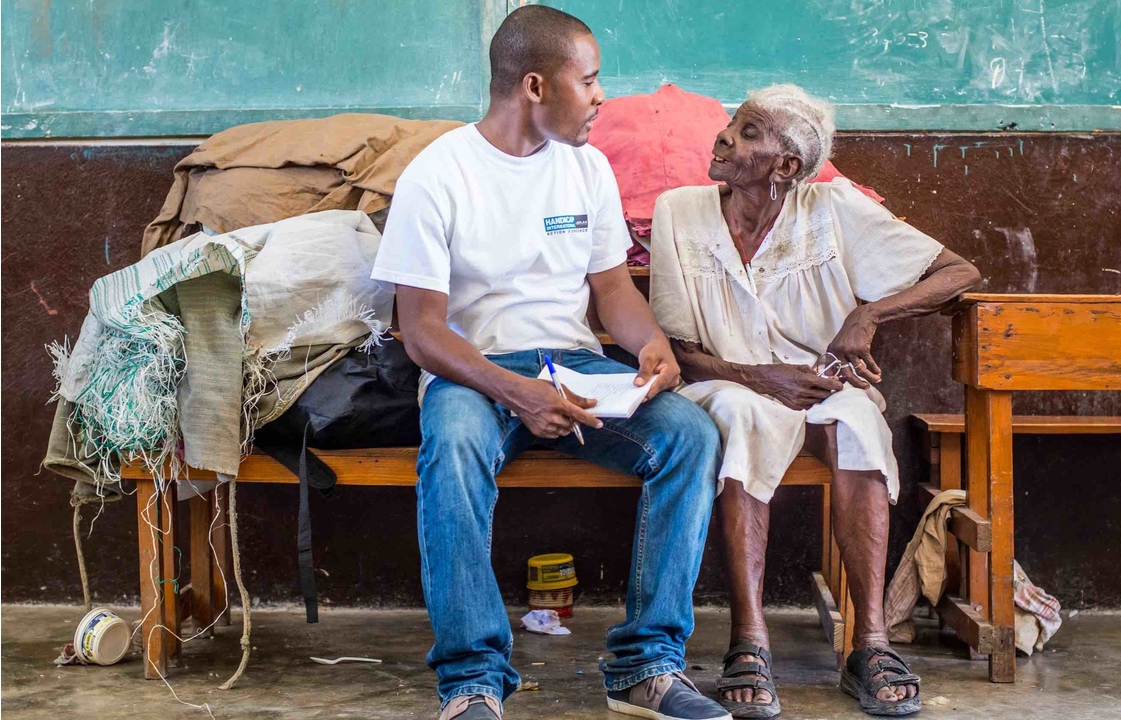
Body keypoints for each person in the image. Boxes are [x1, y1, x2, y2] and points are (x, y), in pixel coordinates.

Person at [373, 7, 730, 720]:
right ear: (534, 86)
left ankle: (646, 668)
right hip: (473, 371)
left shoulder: (586, 167)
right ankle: (472, 680)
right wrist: (517, 393)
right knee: (455, 443)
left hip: (572, 367)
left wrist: (651, 343)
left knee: (690, 436)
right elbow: (423, 332)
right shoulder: (438, 174)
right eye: (589, 80)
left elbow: (612, 291)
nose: (601, 96)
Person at [648, 84, 982, 718]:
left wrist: (868, 314)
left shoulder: (834, 209)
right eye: (732, 124)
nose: (725, 136)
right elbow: (682, 350)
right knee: (739, 417)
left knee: (856, 419)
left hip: (820, 380)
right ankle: (749, 639)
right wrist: (758, 377)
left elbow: (959, 273)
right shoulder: (679, 212)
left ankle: (871, 643)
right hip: (726, 379)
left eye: (748, 132)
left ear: (786, 166)